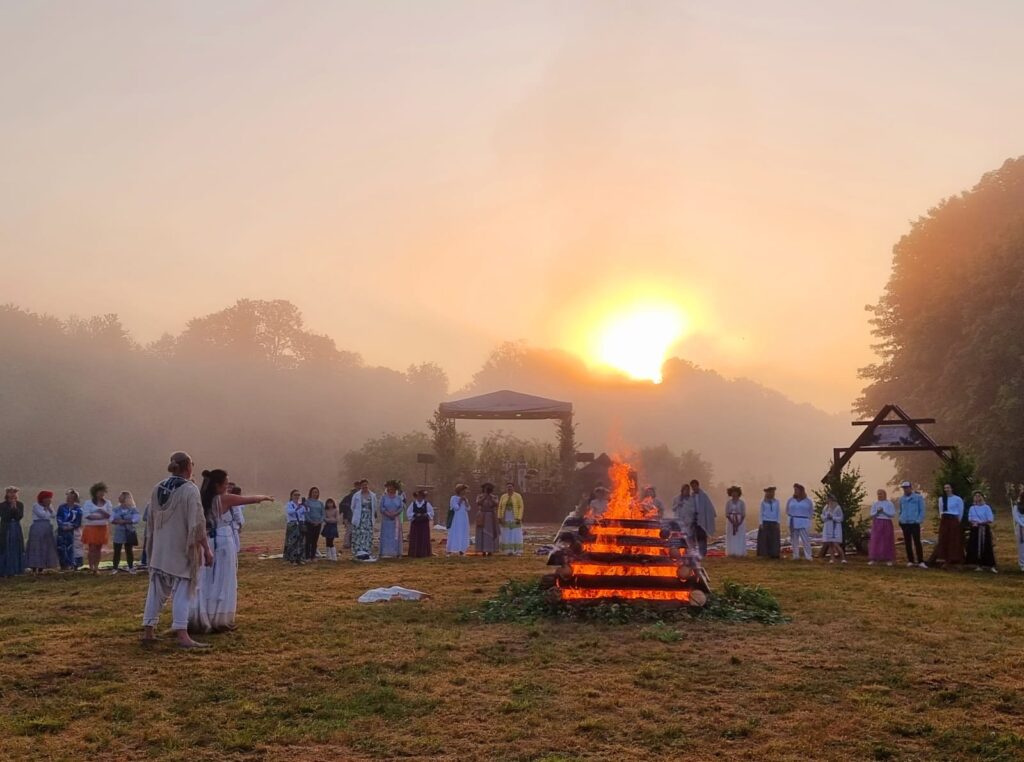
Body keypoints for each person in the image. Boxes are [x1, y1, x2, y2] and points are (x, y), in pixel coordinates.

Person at [141, 451, 213, 649]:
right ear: (188, 467)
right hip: (181, 548)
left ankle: (149, 630)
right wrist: (206, 549)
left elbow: (152, 520)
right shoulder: (189, 489)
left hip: (160, 548)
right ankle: (182, 634)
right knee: (183, 588)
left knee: (155, 589)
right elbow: (197, 523)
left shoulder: (158, 487)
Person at [189, 469, 272, 633]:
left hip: (209, 541)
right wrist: (264, 497)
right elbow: (247, 499)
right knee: (223, 578)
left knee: (207, 578)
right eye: (226, 484)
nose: (228, 487)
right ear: (218, 485)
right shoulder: (223, 499)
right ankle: (219, 617)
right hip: (223, 540)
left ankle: (204, 613)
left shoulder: (202, 500)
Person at [930, 483, 965, 568]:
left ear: (952, 488)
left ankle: (954, 558)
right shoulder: (942, 499)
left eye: (948, 487)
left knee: (954, 539)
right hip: (945, 520)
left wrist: (957, 521)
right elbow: (940, 511)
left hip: (954, 519)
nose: (946, 489)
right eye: (945, 488)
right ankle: (944, 559)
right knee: (944, 538)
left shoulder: (957, 499)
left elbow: (961, 511)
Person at [81, 482, 113, 574]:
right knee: (92, 548)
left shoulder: (108, 503)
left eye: (103, 492)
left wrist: (100, 512)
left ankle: (96, 567)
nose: (101, 494)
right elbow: (87, 515)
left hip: (102, 527)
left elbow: (110, 515)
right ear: (95, 492)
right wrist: (100, 515)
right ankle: (91, 567)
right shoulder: (88, 503)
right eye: (99, 492)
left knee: (99, 548)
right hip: (91, 528)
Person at [26, 490, 60, 573]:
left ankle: (42, 567)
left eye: (50, 498)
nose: (49, 500)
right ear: (43, 499)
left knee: (46, 547)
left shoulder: (50, 506)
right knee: (36, 547)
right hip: (37, 527)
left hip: (47, 527)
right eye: (47, 498)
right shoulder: (36, 506)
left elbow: (53, 515)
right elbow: (42, 515)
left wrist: (49, 508)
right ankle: (34, 567)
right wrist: (46, 509)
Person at [898, 481, 927, 569]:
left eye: (907, 487)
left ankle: (921, 561)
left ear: (911, 488)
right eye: (904, 488)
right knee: (907, 542)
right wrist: (900, 519)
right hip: (905, 523)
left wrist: (918, 520)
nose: (905, 489)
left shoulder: (918, 497)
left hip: (914, 523)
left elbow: (922, 510)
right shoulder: (902, 498)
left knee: (917, 542)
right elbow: (901, 510)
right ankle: (910, 560)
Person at [966, 491, 997, 573]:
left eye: (979, 496)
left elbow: (990, 519)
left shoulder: (986, 507)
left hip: (984, 529)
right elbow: (970, 517)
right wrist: (974, 522)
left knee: (987, 546)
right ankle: (978, 564)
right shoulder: (972, 508)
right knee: (976, 546)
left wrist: (982, 522)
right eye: (976, 496)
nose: (977, 497)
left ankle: (990, 565)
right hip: (975, 529)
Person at [110, 491, 141, 573]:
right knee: (117, 550)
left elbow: (136, 519)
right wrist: (119, 521)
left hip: (129, 532)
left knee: (129, 550)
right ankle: (115, 568)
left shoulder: (133, 509)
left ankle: (131, 567)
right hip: (119, 532)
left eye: (121, 497)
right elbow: (111, 519)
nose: (119, 498)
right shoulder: (116, 509)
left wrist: (124, 521)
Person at [55, 489, 83, 570]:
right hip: (62, 531)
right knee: (62, 548)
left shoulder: (78, 509)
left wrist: (72, 526)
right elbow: (59, 517)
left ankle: (74, 565)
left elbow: (78, 521)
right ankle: (64, 565)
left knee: (74, 548)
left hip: (74, 531)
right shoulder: (62, 507)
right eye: (68, 496)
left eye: (70, 496)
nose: (68, 498)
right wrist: (62, 525)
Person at [867, 489, 896, 566]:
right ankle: (874, 558)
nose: (879, 496)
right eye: (878, 494)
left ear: (885, 495)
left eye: (881, 494)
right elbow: (871, 514)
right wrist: (877, 512)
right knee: (876, 539)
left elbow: (892, 514)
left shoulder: (889, 503)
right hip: (877, 522)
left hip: (886, 522)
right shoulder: (875, 503)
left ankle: (888, 558)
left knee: (887, 539)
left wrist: (883, 512)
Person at [351, 479, 378, 561]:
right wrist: (358, 513)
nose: (365, 486)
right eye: (363, 485)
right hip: (359, 518)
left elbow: (374, 506)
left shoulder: (372, 495)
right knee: (359, 534)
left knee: (367, 535)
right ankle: (359, 552)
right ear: (361, 486)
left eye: (366, 484)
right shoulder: (356, 495)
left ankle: (366, 552)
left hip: (368, 518)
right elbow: (352, 507)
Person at [787, 483, 813, 561]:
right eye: (794, 490)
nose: (795, 491)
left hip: (803, 521)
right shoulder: (791, 500)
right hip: (793, 520)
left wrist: (807, 519)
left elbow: (811, 511)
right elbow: (787, 509)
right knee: (794, 539)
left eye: (796, 490)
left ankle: (808, 556)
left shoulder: (808, 501)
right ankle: (796, 555)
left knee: (805, 539)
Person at [690, 480, 716, 558]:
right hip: (694, 519)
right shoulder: (692, 496)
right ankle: (695, 553)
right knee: (695, 536)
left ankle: (703, 553)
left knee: (702, 536)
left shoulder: (704, 495)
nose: (694, 488)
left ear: (698, 485)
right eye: (692, 487)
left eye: (695, 486)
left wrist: (710, 515)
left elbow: (709, 506)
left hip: (702, 519)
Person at [379, 480, 405, 559]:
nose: (390, 489)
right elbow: (381, 508)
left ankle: (396, 552)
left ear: (395, 488)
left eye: (392, 488)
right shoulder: (384, 497)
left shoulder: (399, 498)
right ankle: (385, 552)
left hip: (395, 520)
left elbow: (401, 507)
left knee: (395, 536)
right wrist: (388, 513)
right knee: (386, 535)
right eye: (389, 487)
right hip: (386, 520)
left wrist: (395, 513)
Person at [498, 482, 525, 556]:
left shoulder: (518, 496)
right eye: (508, 487)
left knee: (515, 533)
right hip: (506, 516)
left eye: (510, 487)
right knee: (506, 533)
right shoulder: (503, 496)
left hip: (515, 517)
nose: (509, 488)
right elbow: (500, 507)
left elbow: (521, 507)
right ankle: (508, 550)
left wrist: (519, 518)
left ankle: (517, 551)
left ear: (513, 488)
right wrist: (500, 517)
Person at [407, 489, 434, 557]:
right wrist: (415, 515)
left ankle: (424, 553)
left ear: (423, 497)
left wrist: (425, 514)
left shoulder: (427, 504)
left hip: (424, 524)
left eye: (421, 496)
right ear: (416, 497)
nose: (419, 498)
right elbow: (408, 513)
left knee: (424, 538)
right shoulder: (413, 504)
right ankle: (414, 553)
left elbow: (431, 512)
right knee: (415, 538)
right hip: (415, 524)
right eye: (418, 496)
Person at [756, 486, 781, 559]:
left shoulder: (777, 501)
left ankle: (774, 553)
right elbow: (761, 512)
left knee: (774, 539)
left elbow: (778, 512)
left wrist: (778, 522)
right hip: (765, 521)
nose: (772, 494)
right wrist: (761, 523)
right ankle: (763, 553)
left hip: (774, 521)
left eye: (773, 492)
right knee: (764, 539)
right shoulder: (763, 502)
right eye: (770, 492)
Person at [475, 483, 500, 555]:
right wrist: (484, 497)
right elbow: (478, 503)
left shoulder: (494, 497)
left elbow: (496, 504)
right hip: (482, 515)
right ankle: (482, 550)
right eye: (486, 488)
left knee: (490, 533)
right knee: (482, 533)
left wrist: (490, 498)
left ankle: (490, 550)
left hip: (491, 516)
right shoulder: (480, 496)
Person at [446, 484, 471, 556]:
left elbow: (468, 509)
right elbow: (456, 508)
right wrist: (460, 501)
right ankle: (450, 550)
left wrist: (466, 502)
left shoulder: (465, 499)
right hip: (456, 519)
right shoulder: (453, 498)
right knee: (455, 532)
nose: (465, 491)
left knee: (463, 532)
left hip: (464, 518)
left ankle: (462, 550)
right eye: (464, 490)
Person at [821, 494, 846, 564]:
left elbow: (841, 518)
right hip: (828, 526)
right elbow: (822, 516)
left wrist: (833, 517)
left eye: (827, 498)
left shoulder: (837, 507)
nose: (826, 500)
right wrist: (826, 517)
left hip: (835, 526)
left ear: (831, 499)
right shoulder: (826, 507)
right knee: (830, 544)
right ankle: (832, 558)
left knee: (835, 543)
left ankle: (843, 558)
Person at [283, 490, 306, 565]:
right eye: (295, 495)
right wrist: (297, 508)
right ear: (291, 496)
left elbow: (306, 511)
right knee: (293, 542)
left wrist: (305, 505)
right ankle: (292, 559)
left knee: (301, 542)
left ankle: (300, 559)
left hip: (300, 524)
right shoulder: (289, 504)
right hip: (292, 524)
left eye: (298, 495)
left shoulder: (300, 504)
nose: (297, 496)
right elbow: (289, 512)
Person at [724, 486, 747, 557]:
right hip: (730, 521)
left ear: (738, 493)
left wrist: (739, 523)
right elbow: (727, 513)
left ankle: (739, 552)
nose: (734, 494)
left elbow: (743, 514)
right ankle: (731, 551)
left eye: (735, 492)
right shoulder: (728, 503)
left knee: (739, 535)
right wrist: (732, 522)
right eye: (733, 492)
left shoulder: (742, 502)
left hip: (740, 521)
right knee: (731, 535)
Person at [303, 487, 324, 561]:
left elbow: (322, 514)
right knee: (308, 540)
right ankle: (307, 556)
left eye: (316, 492)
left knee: (315, 541)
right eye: (313, 492)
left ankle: (313, 556)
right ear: (310, 493)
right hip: (309, 523)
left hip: (318, 524)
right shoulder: (307, 502)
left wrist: (319, 521)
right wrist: (311, 521)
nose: (315, 494)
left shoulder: (320, 503)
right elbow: (305, 513)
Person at [672, 484, 695, 549]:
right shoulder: (676, 498)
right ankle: (679, 548)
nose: (687, 491)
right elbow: (673, 509)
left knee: (688, 536)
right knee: (679, 535)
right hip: (678, 520)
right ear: (682, 490)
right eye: (685, 490)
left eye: (688, 490)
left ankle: (689, 549)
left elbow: (693, 509)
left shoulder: (691, 499)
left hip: (688, 521)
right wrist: (678, 505)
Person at [340, 481, 359, 550]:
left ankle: (354, 543)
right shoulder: (348, 497)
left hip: (357, 516)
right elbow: (342, 505)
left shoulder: (361, 495)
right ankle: (347, 544)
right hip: (348, 516)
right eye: (357, 486)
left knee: (356, 531)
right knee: (349, 530)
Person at [227, 484, 245, 553]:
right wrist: (240, 524)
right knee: (235, 541)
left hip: (233, 524)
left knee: (235, 540)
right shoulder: (235, 502)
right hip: (234, 524)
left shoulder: (234, 501)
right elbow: (237, 514)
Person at [1014, 488, 1024, 572]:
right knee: (1022, 547)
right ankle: (1022, 564)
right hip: (1021, 528)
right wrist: (1022, 525)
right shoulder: (1016, 506)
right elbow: (1016, 517)